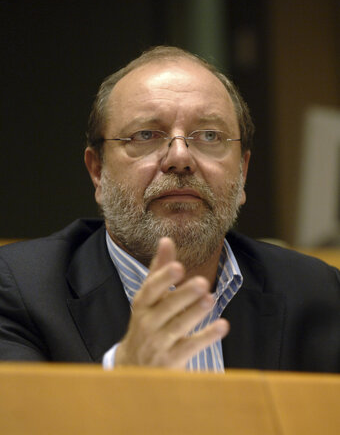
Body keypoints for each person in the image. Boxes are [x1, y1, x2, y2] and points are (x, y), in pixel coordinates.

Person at [0, 46, 339, 372]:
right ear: (97, 172)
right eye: (146, 134)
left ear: (243, 171)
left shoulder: (318, 293)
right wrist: (121, 377)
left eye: (209, 135)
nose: (180, 158)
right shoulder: (20, 292)